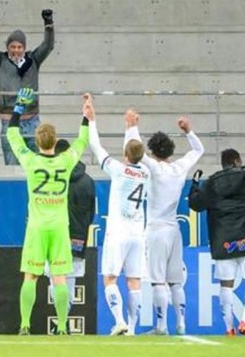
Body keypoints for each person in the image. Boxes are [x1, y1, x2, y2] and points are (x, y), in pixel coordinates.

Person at [8, 88, 89, 335]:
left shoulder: (30, 161)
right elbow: (82, 141)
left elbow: (12, 136)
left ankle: (25, 325)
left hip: (36, 227)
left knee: (30, 277)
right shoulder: (66, 161)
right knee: (60, 278)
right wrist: (86, 116)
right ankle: (63, 327)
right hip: (59, 227)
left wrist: (19, 108)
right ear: (55, 142)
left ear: (37, 141)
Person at [129, 111, 204, 335]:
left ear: (153, 150)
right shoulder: (178, 168)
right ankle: (181, 323)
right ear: (170, 151)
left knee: (157, 281)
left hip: (156, 231)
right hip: (174, 230)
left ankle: (161, 326)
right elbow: (198, 150)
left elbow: (136, 151)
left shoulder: (154, 168)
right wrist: (188, 130)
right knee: (175, 282)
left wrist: (132, 126)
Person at [189, 148, 245, 336]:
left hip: (223, 242)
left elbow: (195, 205)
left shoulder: (212, 183)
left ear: (223, 163)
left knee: (226, 285)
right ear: (237, 161)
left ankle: (229, 328)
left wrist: (195, 184)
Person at [88, 102, 151, 336]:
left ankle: (120, 321)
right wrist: (131, 127)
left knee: (110, 278)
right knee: (134, 282)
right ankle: (133, 328)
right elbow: (136, 150)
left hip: (118, 232)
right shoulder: (146, 173)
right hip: (138, 233)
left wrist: (91, 119)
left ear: (125, 156)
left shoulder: (118, 169)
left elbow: (96, 146)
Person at [0, 8, 55, 165]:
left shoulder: (33, 60)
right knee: (12, 166)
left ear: (24, 48)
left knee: (36, 165)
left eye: (19, 47)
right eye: (13, 46)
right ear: (8, 47)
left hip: (32, 122)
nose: (16, 50)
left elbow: (48, 46)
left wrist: (49, 24)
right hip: (9, 123)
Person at [47, 138, 96, 333]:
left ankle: (61, 320)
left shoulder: (54, 178)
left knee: (55, 277)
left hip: (56, 234)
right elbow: (91, 213)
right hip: (78, 236)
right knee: (71, 278)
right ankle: (64, 319)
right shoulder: (89, 181)